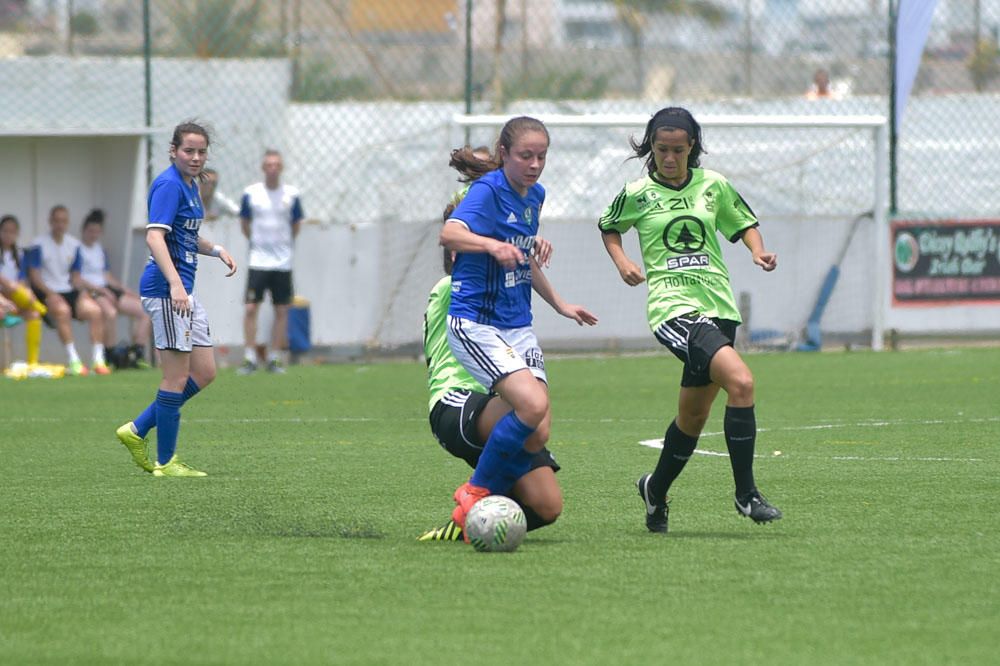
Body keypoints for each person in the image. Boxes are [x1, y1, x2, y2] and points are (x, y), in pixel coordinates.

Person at [597, 106, 782, 533]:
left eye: (677, 150)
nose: (668, 157)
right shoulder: (638, 194)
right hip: (673, 308)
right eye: (661, 149)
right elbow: (609, 226)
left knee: (693, 418)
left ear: (691, 147)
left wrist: (757, 250)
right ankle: (746, 495)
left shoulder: (713, 185)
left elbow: (744, 222)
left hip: (719, 307)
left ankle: (655, 490)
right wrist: (622, 260)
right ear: (651, 148)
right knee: (742, 383)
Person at [439, 116, 598, 539]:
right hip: (477, 323)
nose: (534, 164)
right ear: (505, 154)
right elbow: (450, 234)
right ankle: (475, 494)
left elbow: (523, 258)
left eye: (542, 156)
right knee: (529, 405)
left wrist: (561, 304)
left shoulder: (535, 196)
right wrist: (490, 244)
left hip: (517, 326)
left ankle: (485, 510)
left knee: (539, 424)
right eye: (525, 155)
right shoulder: (488, 191)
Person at [419, 148, 564, 542]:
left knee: (547, 506)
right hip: (457, 406)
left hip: (499, 411)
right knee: (534, 412)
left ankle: (471, 521)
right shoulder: (449, 291)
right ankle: (475, 493)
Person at [115, 121, 237, 477]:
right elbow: (155, 238)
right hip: (169, 291)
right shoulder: (169, 184)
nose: (196, 157)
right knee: (175, 378)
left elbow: (183, 236)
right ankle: (166, 462)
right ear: (173, 151)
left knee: (205, 371)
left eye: (201, 151)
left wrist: (215, 249)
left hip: (182, 291)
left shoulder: (191, 185)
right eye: (189, 151)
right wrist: (175, 285)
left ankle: (137, 428)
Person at [236, 149, 304, 375]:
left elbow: (296, 224)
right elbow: (245, 223)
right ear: (263, 168)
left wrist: (282, 246)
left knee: (282, 309)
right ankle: (249, 357)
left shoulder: (291, 195)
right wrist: (259, 245)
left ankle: (275, 357)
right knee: (250, 307)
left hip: (282, 262)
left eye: (276, 165)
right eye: (269, 165)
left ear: (281, 168)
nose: (273, 169)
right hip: (258, 260)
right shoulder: (252, 193)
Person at [26, 205, 109, 375]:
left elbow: (76, 277)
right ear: (50, 221)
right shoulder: (38, 244)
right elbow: (35, 277)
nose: (60, 224)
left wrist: (84, 293)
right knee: (62, 311)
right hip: (46, 291)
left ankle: (98, 360)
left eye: (63, 221)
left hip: (69, 290)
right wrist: (51, 294)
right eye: (56, 220)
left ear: (68, 222)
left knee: (95, 310)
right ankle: (74, 361)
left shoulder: (74, 244)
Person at [71, 208, 152, 355]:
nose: (93, 235)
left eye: (96, 231)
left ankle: (137, 351)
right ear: (84, 230)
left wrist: (127, 291)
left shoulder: (100, 250)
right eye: (90, 231)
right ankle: (110, 352)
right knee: (110, 313)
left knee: (144, 310)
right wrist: (102, 291)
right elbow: (77, 279)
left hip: (106, 288)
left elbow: (107, 276)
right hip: (92, 291)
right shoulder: (77, 249)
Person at [0, 214, 47, 367]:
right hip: (3, 299)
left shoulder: (20, 254)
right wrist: (4, 300)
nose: (8, 235)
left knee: (34, 314)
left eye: (12, 232)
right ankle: (43, 308)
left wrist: (27, 292)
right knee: (11, 287)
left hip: (15, 300)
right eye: (5, 231)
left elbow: (22, 281)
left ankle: (32, 362)